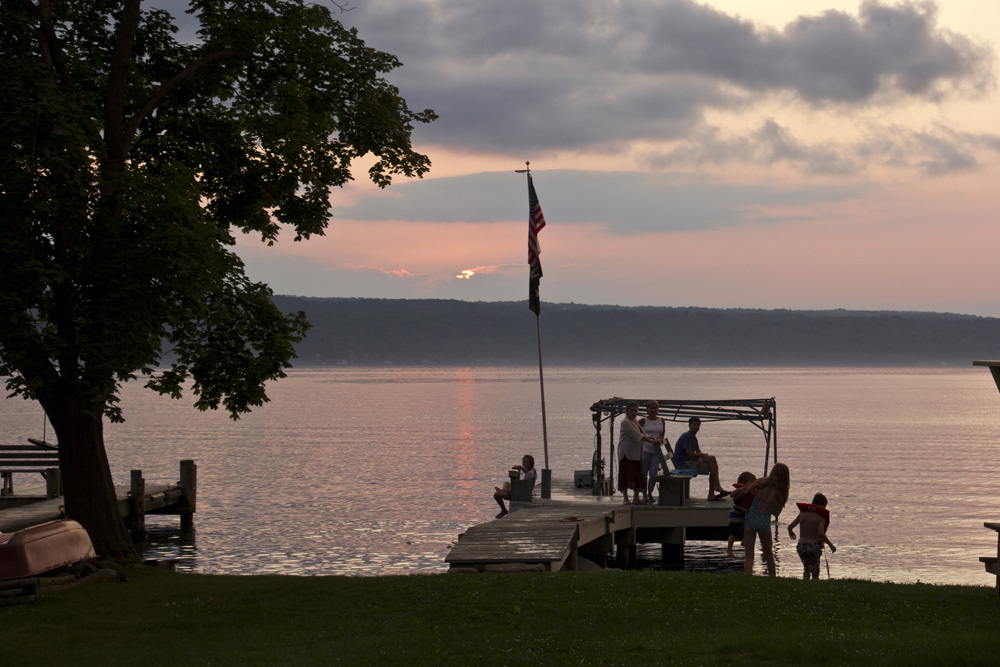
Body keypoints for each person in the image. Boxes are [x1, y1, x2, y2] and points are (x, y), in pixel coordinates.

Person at [732, 462, 790, 576]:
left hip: (751, 518)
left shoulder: (762, 482)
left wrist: (735, 493)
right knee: (768, 554)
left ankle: (748, 578)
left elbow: (746, 490)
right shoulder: (781, 493)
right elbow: (776, 513)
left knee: (749, 554)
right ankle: (772, 577)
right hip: (764, 520)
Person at [672, 416, 729, 501]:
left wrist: (701, 457)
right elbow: (690, 454)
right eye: (694, 424)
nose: (696, 426)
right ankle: (715, 490)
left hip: (689, 461)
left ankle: (715, 490)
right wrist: (701, 456)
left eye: (698, 425)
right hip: (683, 464)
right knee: (712, 465)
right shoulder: (686, 436)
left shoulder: (693, 437)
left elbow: (698, 451)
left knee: (712, 462)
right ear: (689, 425)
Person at [787, 492, 837, 580]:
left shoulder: (802, 514)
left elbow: (790, 527)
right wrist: (831, 545)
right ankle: (814, 589)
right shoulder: (820, 518)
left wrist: (791, 533)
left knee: (806, 569)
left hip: (801, 546)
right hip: (812, 546)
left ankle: (805, 585)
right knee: (815, 572)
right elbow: (821, 534)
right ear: (822, 505)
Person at [618, 401, 657, 505]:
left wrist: (653, 438)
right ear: (627, 411)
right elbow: (636, 436)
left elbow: (643, 433)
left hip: (637, 452)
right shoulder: (625, 422)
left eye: (636, 410)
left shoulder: (635, 421)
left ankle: (636, 498)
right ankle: (626, 499)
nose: (634, 412)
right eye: (632, 410)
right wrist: (652, 441)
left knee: (638, 475)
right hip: (626, 453)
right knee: (625, 475)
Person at [638, 400, 667, 504]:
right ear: (647, 409)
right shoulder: (643, 421)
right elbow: (638, 434)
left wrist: (660, 438)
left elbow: (663, 434)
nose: (653, 410)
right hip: (645, 449)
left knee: (654, 473)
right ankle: (644, 494)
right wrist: (650, 439)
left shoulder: (661, 420)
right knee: (644, 472)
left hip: (656, 451)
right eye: (651, 408)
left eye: (655, 408)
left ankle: (650, 492)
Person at [726, 471, 757, 558]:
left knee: (749, 530)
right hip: (736, 515)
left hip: (745, 516)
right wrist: (739, 490)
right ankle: (729, 549)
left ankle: (744, 541)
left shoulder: (752, 492)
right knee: (734, 533)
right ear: (744, 482)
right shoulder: (740, 490)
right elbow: (731, 495)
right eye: (752, 482)